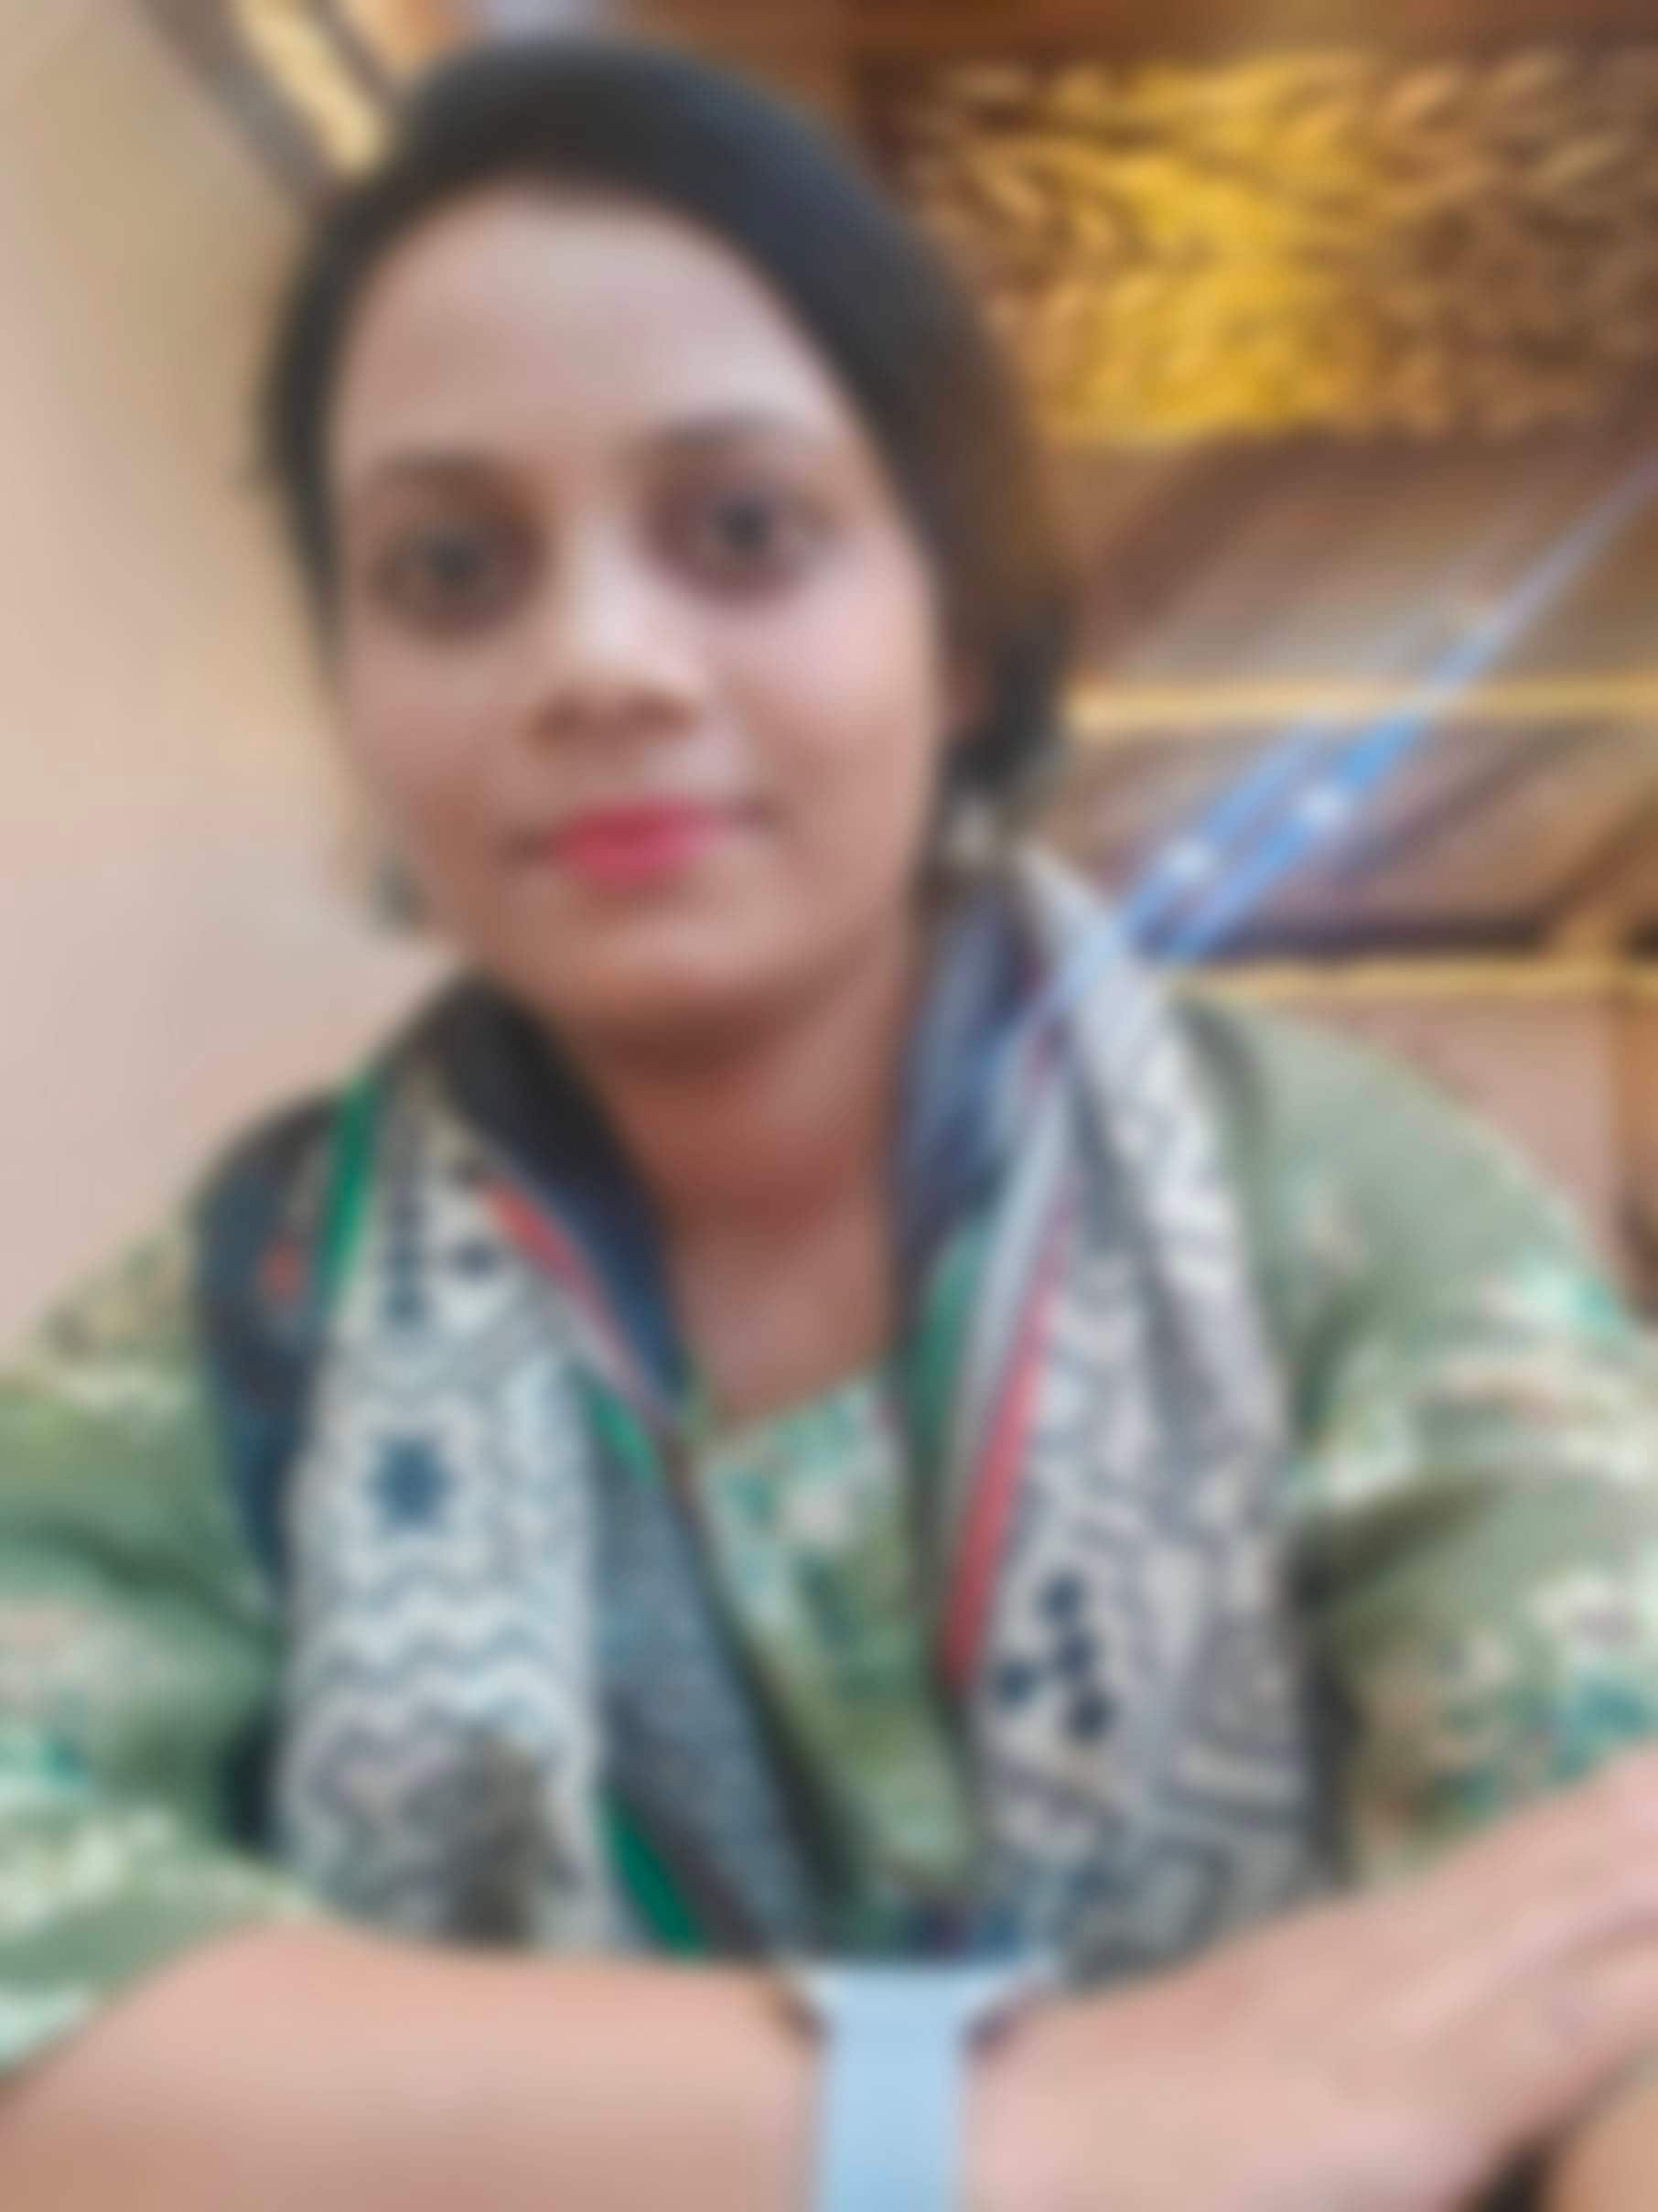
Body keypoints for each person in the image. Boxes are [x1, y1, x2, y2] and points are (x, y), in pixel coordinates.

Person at [2, 38, 1658, 2212]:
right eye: (452, 569)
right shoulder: (244, 1323)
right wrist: (992, 2126)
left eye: (744, 530)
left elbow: (1598, 1925)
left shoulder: (1341, 1206)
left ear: (955, 633)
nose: (600, 662)